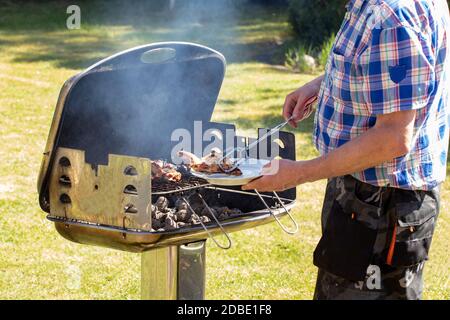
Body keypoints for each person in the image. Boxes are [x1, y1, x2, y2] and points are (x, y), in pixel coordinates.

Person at [242, 0, 450, 300]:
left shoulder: (391, 16)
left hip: (382, 207)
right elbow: (387, 71)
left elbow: (393, 137)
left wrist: (298, 173)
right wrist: (323, 84)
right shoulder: (378, 8)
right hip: (365, 196)